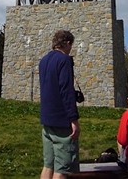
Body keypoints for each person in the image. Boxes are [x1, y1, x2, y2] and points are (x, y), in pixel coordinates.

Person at [39, 30, 80, 179]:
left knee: (48, 165)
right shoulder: (64, 60)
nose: (71, 49)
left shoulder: (43, 60)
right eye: (71, 45)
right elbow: (66, 91)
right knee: (62, 168)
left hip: (47, 118)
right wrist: (73, 119)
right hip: (61, 121)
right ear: (67, 43)